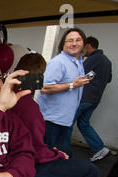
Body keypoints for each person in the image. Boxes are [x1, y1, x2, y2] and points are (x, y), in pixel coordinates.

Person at [11, 53, 101, 177]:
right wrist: (56, 155)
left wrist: (56, 152)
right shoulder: (28, 107)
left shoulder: (12, 98)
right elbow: (36, 152)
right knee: (88, 171)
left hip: (24, 156)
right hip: (26, 164)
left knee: (67, 150)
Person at [37, 27, 91, 157]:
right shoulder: (58, 62)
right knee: (47, 158)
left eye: (78, 40)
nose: (74, 43)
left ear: (83, 43)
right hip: (51, 122)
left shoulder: (78, 62)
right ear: (63, 44)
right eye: (70, 41)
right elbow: (44, 88)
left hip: (66, 121)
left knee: (61, 157)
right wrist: (72, 85)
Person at [71, 36, 113, 162]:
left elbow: (78, 74)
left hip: (84, 99)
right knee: (84, 124)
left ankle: (62, 151)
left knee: (67, 124)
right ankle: (100, 149)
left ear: (88, 46)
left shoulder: (94, 58)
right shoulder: (107, 61)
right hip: (94, 100)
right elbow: (109, 79)